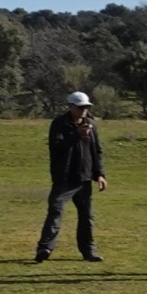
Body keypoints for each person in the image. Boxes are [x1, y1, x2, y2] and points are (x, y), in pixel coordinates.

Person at [34, 91, 108, 263]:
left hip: (84, 179)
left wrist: (100, 174)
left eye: (86, 107)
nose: (83, 110)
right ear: (70, 107)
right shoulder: (59, 124)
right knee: (55, 212)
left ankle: (88, 251)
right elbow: (56, 147)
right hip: (65, 178)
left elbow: (97, 151)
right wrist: (77, 135)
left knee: (86, 217)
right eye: (80, 107)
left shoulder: (91, 124)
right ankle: (45, 248)